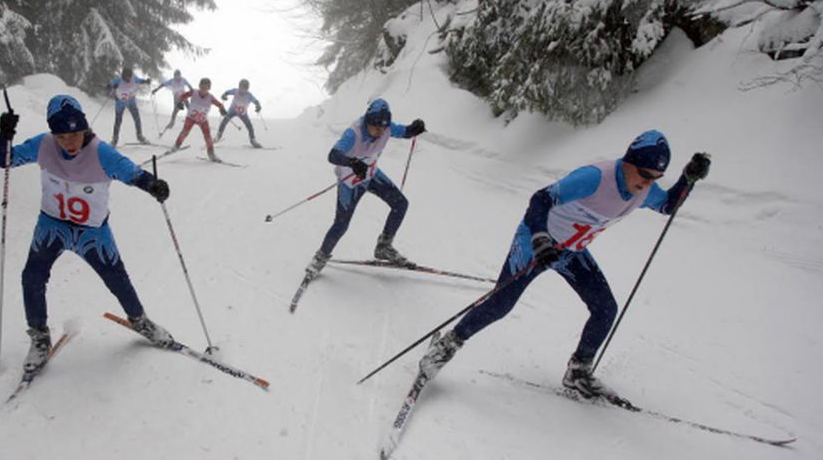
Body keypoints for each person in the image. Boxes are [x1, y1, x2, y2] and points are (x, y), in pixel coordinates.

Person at [417, 130, 711, 397]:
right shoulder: (595, 178)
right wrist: (541, 238)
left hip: (570, 252)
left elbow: (667, 205)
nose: (647, 183)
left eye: (655, 178)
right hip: (536, 242)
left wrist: (687, 178)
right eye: (645, 174)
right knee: (501, 303)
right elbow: (540, 199)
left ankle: (578, 371)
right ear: (628, 162)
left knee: (605, 308)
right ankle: (446, 346)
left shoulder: (644, 191)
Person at [0, 95, 174, 374]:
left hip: (92, 232)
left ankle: (141, 321)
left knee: (117, 278)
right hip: (51, 225)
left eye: (75, 134)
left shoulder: (101, 153)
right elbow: (4, 160)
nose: (69, 142)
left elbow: (133, 174)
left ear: (85, 129)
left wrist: (153, 185)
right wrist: (4, 134)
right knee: (32, 276)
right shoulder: (43, 145)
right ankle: (40, 337)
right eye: (62, 136)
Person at [302, 98, 426, 281]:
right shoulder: (354, 132)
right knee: (341, 224)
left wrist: (414, 129)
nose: (379, 132)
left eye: (383, 128)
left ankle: (384, 246)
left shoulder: (387, 127)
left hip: (371, 174)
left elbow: (404, 132)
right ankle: (319, 259)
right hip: (350, 181)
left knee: (401, 204)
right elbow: (333, 155)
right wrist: (352, 162)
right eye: (375, 127)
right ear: (367, 121)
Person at [172, 77, 227, 162]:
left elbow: (219, 104)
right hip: (191, 118)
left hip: (202, 120)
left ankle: (211, 153)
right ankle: (176, 146)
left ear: (209, 88)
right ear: (199, 86)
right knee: (184, 132)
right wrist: (179, 102)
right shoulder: (194, 92)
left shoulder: (210, 97)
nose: (203, 90)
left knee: (208, 136)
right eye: (202, 87)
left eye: (206, 88)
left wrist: (222, 109)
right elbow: (183, 96)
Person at [108, 66, 152, 147]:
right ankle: (114, 139)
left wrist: (146, 81)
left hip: (131, 101)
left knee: (137, 118)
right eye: (127, 77)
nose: (128, 78)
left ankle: (140, 136)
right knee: (118, 121)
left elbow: (140, 80)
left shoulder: (133, 78)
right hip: (120, 103)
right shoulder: (118, 80)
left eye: (130, 76)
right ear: (123, 75)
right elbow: (109, 85)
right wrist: (112, 86)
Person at [215, 78, 263, 148]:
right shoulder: (235, 91)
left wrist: (258, 106)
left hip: (243, 113)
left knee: (249, 126)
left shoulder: (249, 95)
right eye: (241, 87)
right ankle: (218, 136)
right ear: (239, 86)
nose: (242, 90)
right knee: (224, 122)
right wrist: (224, 95)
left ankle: (253, 140)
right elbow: (227, 92)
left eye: (244, 88)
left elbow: (255, 101)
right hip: (232, 111)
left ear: (247, 88)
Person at [152, 68, 193, 133]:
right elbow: (163, 84)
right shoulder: (172, 81)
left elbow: (189, 85)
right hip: (176, 97)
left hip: (183, 95)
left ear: (180, 75)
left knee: (188, 106)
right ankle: (172, 122)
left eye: (178, 75)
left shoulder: (183, 80)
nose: (177, 77)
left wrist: (192, 91)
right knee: (176, 110)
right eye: (176, 76)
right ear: (174, 76)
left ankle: (193, 119)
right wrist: (156, 89)